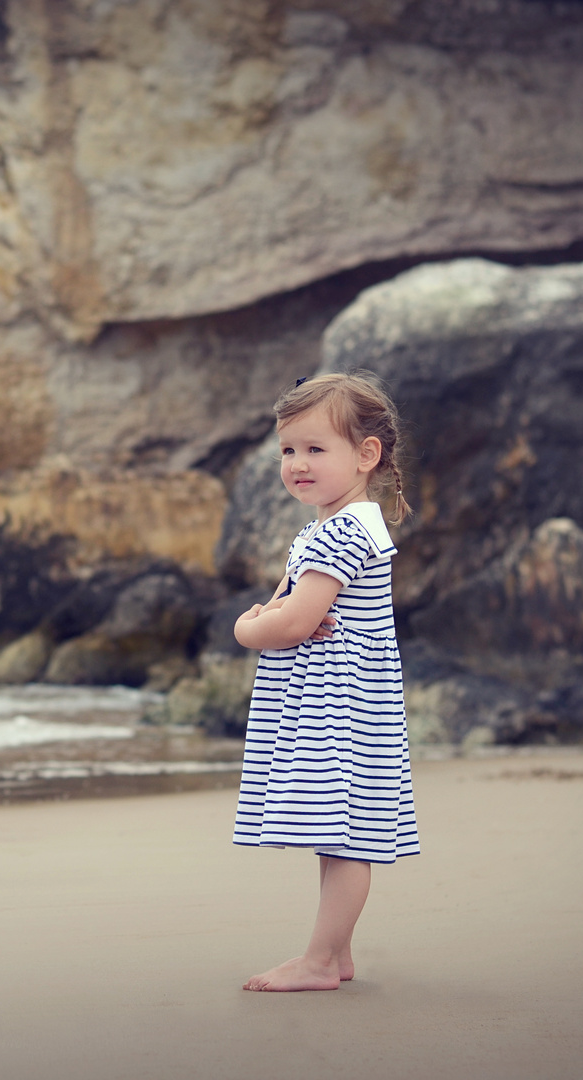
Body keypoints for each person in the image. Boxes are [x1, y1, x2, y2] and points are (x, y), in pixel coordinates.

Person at [231, 369, 420, 992]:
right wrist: (276, 615)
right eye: (288, 450)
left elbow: (295, 619)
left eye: (316, 449)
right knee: (339, 833)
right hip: (352, 702)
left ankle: (317, 962)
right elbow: (291, 603)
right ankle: (335, 954)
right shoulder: (344, 525)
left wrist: (247, 629)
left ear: (367, 455)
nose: (297, 464)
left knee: (345, 840)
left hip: (335, 707)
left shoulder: (342, 531)